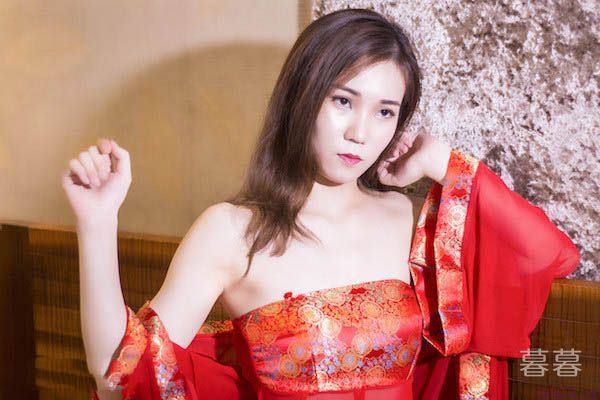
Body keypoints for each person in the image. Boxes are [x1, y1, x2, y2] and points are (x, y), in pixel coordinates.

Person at [61, 8, 581, 400]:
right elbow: (119, 373)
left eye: (385, 112)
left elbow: (545, 253)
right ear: (302, 97)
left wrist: (443, 162)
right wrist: (97, 224)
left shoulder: (412, 222)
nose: (360, 132)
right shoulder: (233, 233)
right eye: (343, 101)